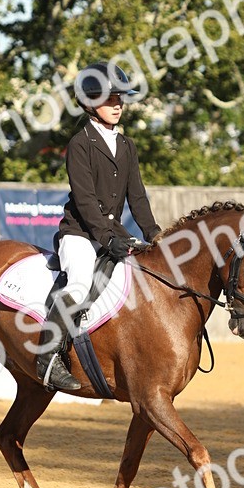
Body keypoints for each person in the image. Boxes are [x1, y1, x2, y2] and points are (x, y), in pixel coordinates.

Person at [35, 61, 162, 392]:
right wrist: (109, 238)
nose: (117, 104)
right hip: (80, 234)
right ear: (90, 103)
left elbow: (138, 197)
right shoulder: (80, 144)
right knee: (78, 286)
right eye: (110, 99)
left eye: (120, 98)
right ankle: (47, 357)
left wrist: (154, 234)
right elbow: (86, 201)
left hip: (112, 235)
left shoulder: (127, 145)